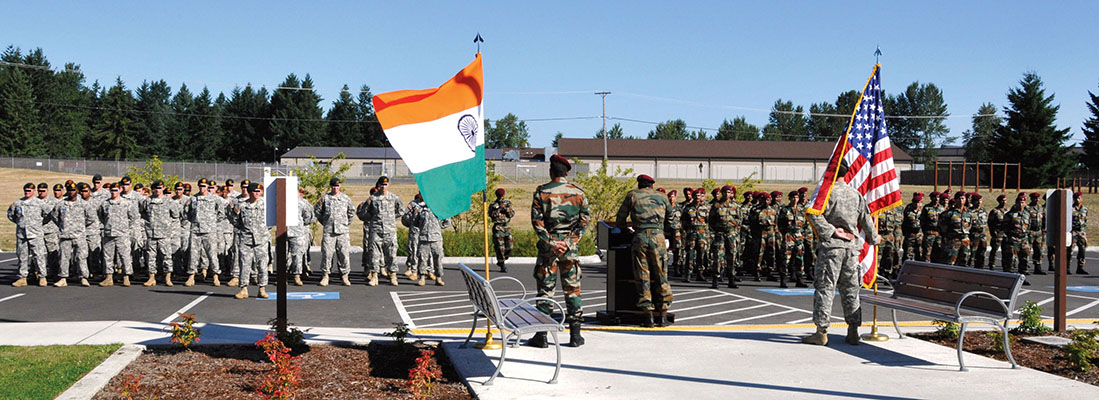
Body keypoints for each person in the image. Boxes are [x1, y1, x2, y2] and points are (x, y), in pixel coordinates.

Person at [803, 162, 879, 346]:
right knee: (851, 290)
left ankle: (821, 332)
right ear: (847, 173)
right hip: (852, 250)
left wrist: (830, 230)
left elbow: (812, 212)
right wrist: (874, 238)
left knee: (826, 288)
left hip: (831, 248)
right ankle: (853, 330)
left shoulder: (825, 192)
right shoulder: (856, 194)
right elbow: (866, 219)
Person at [528, 154, 590, 348]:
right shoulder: (579, 193)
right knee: (572, 290)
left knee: (546, 292)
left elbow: (537, 223)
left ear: (551, 172)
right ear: (567, 172)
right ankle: (575, 335)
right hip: (570, 252)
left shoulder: (541, 193)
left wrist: (553, 243)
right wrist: (569, 243)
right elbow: (584, 222)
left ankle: (542, 336)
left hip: (549, 252)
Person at [615, 174, 674, 327]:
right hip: (658, 238)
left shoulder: (632, 195)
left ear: (639, 184)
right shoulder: (662, 196)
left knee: (642, 275)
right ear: (652, 185)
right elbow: (671, 220)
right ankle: (663, 315)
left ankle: (648, 316)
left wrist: (626, 231)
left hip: (640, 237)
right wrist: (660, 230)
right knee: (662, 274)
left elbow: (620, 218)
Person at [232, 183, 270, 299]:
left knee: (262, 264)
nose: (257, 193)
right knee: (245, 264)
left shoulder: (265, 205)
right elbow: (236, 221)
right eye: (254, 191)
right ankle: (244, 289)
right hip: (246, 239)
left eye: (259, 191)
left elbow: (270, 221)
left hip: (261, 239)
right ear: (249, 192)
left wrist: (263, 232)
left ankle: (262, 288)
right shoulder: (242, 206)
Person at [365, 176, 405, 286]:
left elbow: (401, 210)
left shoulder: (394, 198)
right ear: (379, 186)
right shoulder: (373, 198)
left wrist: (391, 218)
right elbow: (364, 212)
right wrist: (374, 219)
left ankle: (393, 275)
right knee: (374, 254)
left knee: (391, 253)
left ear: (388, 185)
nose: (383, 187)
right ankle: (374, 276)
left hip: (390, 231)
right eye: (382, 185)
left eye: (385, 185)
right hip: (376, 230)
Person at [141, 180, 181, 286]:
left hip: (164, 234)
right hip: (151, 234)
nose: (158, 190)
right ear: (153, 189)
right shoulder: (147, 201)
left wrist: (167, 226)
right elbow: (143, 213)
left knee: (166, 256)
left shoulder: (169, 202)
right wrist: (149, 225)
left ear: (163, 188)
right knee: (151, 257)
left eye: (160, 188)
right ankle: (151, 277)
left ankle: (168, 277)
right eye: (155, 188)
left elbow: (175, 215)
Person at [9, 183, 50, 287]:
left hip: (35, 234)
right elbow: (11, 215)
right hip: (22, 234)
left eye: (29, 190)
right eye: (26, 190)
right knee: (22, 256)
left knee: (39, 256)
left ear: (34, 191)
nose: (27, 192)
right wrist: (20, 224)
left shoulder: (40, 203)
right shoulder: (18, 203)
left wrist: (38, 224)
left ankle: (42, 277)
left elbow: (48, 215)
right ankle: (22, 277)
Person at [316, 177, 354, 286]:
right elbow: (318, 212)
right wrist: (325, 222)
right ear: (330, 186)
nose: (335, 188)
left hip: (342, 232)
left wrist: (346, 223)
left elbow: (351, 212)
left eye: (337, 186)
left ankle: (345, 275)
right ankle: (325, 275)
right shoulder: (325, 199)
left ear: (340, 186)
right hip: (329, 231)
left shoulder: (346, 198)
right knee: (327, 254)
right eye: (333, 186)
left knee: (344, 254)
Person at [99, 183, 139, 287]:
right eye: (112, 190)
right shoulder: (105, 204)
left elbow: (133, 217)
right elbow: (101, 216)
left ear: (120, 190)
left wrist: (124, 227)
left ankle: (126, 276)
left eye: (116, 190)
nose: (113, 192)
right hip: (109, 233)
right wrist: (107, 225)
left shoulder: (127, 203)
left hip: (122, 234)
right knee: (108, 256)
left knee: (124, 255)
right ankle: (109, 277)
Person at [185, 178, 224, 286]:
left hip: (209, 231)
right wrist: (194, 221)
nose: (202, 188)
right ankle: (191, 276)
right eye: (200, 186)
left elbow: (221, 213)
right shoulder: (193, 199)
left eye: (204, 186)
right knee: (193, 254)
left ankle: (216, 276)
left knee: (212, 254)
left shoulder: (215, 199)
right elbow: (186, 213)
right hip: (196, 230)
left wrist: (211, 222)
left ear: (208, 187)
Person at [707, 185, 741, 289]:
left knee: (732, 257)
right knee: (718, 257)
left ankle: (731, 279)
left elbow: (740, 221)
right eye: (725, 192)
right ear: (722, 193)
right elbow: (711, 221)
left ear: (732, 194)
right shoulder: (716, 206)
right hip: (720, 234)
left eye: (729, 192)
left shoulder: (735, 206)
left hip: (731, 234)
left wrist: (732, 226)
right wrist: (717, 230)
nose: (727, 194)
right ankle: (715, 279)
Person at [414, 203, 450, 286]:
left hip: (436, 238)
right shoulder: (421, 209)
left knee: (438, 259)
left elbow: (448, 221)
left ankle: (439, 278)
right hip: (424, 238)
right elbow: (415, 222)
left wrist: (438, 227)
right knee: (422, 258)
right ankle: (422, 278)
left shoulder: (440, 208)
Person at [778, 190, 808, 288]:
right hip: (788, 236)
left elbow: (805, 224)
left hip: (799, 236)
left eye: (797, 197)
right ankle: (783, 279)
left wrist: (802, 234)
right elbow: (780, 224)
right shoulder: (785, 210)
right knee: (786, 258)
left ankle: (800, 279)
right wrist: (785, 234)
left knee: (800, 259)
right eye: (793, 197)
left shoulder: (801, 210)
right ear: (789, 198)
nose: (795, 199)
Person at [681, 188, 709, 282]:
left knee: (701, 254)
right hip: (691, 234)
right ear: (693, 197)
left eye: (699, 195)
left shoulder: (706, 208)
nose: (697, 197)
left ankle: (700, 274)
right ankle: (688, 274)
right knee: (690, 254)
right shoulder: (688, 208)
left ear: (702, 197)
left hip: (702, 235)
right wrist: (688, 230)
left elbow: (710, 222)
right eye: (696, 195)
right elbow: (683, 221)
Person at [289, 188, 316, 285]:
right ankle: (283, 277)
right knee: (284, 256)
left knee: (297, 255)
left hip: (297, 232)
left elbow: (308, 216)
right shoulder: (281, 201)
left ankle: (297, 276)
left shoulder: (302, 203)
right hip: (283, 232)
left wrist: (300, 225)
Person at [78, 183, 105, 280]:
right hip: (80, 232)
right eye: (81, 191)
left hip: (93, 231)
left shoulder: (96, 202)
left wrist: (84, 223)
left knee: (94, 253)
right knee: (81, 254)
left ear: (90, 191)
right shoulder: (77, 202)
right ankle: (82, 273)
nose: (83, 193)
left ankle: (95, 272)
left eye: (86, 191)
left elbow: (101, 215)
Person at [938, 191, 971, 266]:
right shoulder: (948, 214)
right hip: (953, 242)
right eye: (959, 199)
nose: (961, 200)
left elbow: (970, 227)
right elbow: (942, 229)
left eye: (963, 198)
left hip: (965, 241)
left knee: (964, 263)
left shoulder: (968, 214)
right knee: (950, 263)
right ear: (955, 200)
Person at [1002, 193, 1031, 278]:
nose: (1021, 204)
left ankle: (1023, 278)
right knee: (1010, 261)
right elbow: (1004, 227)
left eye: (1022, 202)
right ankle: (1008, 278)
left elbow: (1029, 226)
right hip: (1013, 240)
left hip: (1024, 240)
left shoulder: (1027, 214)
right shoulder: (1010, 214)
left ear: (1025, 203)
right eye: (1019, 202)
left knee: (1024, 260)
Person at [488, 189, 515, 273]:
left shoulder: (508, 203)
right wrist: (498, 210)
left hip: (506, 227)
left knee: (510, 247)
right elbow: (491, 215)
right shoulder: (493, 205)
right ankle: (502, 264)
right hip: (498, 228)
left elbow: (512, 214)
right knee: (500, 248)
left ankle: (504, 258)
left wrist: (506, 209)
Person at [401, 194, 426, 277]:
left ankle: (428, 270)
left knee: (426, 253)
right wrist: (410, 223)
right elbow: (404, 215)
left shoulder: (430, 204)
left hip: (425, 232)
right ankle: (413, 270)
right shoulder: (413, 204)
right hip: (415, 231)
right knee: (413, 251)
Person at [1067, 192, 1089, 275]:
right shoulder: (1070, 209)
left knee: (1082, 250)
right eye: (1076, 198)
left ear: (1081, 199)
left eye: (1079, 198)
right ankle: (1067, 267)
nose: (1077, 200)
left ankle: (1080, 267)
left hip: (1081, 232)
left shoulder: (1084, 209)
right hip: (1073, 231)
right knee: (1070, 250)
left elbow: (1085, 220)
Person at [664, 190, 684, 277]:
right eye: (670, 197)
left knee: (678, 251)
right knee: (665, 252)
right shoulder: (665, 208)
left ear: (676, 198)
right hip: (667, 232)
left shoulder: (679, 208)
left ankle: (677, 269)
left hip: (677, 233)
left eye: (673, 197)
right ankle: (665, 269)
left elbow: (683, 220)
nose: (671, 199)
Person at [1025, 193, 1046, 275]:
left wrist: (1044, 229)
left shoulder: (1041, 208)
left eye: (1038, 198)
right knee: (1027, 250)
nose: (1036, 200)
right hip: (1030, 231)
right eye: (1034, 198)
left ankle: (1038, 267)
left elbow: (1044, 219)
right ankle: (1025, 267)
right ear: (1031, 199)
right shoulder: (1027, 208)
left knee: (1039, 250)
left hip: (1039, 232)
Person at [919, 191, 943, 262]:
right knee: (927, 254)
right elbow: (922, 221)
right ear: (931, 198)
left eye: (938, 197)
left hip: (939, 235)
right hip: (929, 234)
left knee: (938, 254)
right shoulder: (927, 208)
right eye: (934, 197)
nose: (936, 199)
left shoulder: (942, 208)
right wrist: (926, 231)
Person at [986, 194, 1007, 270]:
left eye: (1005, 200)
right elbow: (990, 222)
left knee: (1005, 250)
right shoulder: (995, 211)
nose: (1004, 202)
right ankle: (992, 264)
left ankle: (1005, 264)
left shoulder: (1007, 211)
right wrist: (992, 232)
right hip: (997, 233)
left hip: (1005, 233)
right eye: (1002, 200)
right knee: (995, 250)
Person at [968, 194, 988, 269]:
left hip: (982, 236)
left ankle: (980, 269)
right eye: (977, 201)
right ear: (973, 201)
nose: (979, 202)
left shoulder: (984, 211)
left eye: (980, 200)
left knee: (982, 255)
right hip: (973, 236)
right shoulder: (969, 211)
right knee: (971, 255)